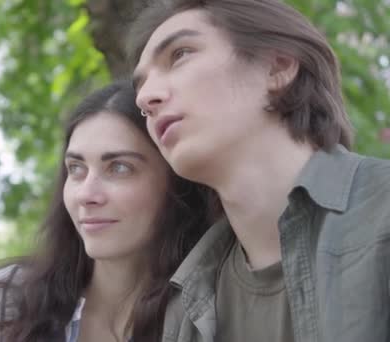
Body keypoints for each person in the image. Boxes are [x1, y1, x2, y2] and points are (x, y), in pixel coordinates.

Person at [128, 0, 390, 341]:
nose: (145, 97)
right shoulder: (188, 299)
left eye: (180, 54)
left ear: (277, 66)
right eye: (140, 85)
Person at [0, 81, 214, 342]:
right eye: (76, 169)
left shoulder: (210, 316)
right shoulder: (3, 305)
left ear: (176, 182)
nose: (87, 195)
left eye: (119, 168)